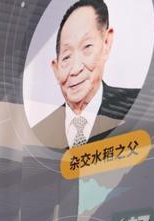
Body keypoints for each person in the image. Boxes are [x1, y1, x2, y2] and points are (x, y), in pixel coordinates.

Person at [32, 0, 140, 150]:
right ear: (56, 69)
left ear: (106, 43)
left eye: (87, 46)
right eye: (66, 57)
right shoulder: (39, 135)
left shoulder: (136, 107)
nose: (76, 69)